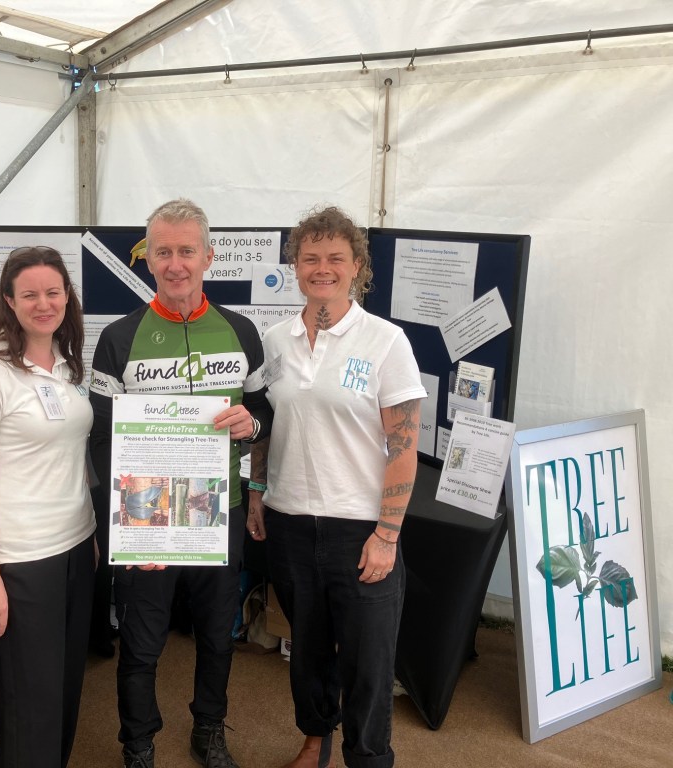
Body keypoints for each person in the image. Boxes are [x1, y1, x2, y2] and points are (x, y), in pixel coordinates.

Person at [89, 199, 271, 768]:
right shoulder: (118, 338)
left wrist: (251, 425)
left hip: (220, 511)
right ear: (148, 260)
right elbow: (99, 438)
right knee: (142, 640)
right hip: (146, 516)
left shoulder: (242, 331)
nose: (175, 264)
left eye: (186, 251)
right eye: (163, 252)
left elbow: (266, 413)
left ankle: (209, 730)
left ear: (208, 257)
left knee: (217, 634)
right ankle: (138, 743)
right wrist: (128, 525)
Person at [248, 206, 425, 768]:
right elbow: (264, 424)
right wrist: (256, 491)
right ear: (295, 266)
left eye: (335, 258)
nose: (321, 268)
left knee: (368, 662)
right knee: (307, 652)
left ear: (357, 267)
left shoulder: (386, 341)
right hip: (290, 522)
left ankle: (368, 757)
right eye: (310, 258)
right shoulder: (274, 340)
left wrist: (387, 535)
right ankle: (315, 739)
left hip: (360, 529)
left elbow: (403, 446)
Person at [0, 246, 96, 768]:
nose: (44, 303)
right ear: (9, 301)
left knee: (64, 689)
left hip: (75, 545)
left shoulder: (67, 362)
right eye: (30, 294)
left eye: (53, 292)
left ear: (67, 298)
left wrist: (91, 533)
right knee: (29, 703)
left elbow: (72, 456)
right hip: (22, 557)